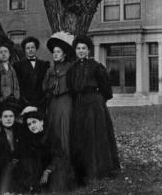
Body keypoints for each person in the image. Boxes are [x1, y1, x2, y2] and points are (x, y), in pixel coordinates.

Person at [67, 35, 120, 186]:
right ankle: (83, 170)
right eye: (78, 48)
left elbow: (107, 91)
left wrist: (96, 100)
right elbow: (71, 88)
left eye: (84, 48)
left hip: (94, 105)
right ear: (75, 50)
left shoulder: (97, 67)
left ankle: (100, 169)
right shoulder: (72, 68)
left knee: (95, 135)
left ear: (88, 50)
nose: (81, 51)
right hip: (79, 105)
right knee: (81, 135)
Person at [17, 109, 69, 193]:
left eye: (34, 122)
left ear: (42, 122)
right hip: (36, 171)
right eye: (29, 124)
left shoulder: (52, 137)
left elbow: (58, 157)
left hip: (52, 169)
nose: (32, 126)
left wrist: (47, 171)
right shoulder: (29, 139)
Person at [43, 31, 74, 163]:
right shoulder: (50, 69)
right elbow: (44, 86)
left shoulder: (70, 67)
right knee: (53, 127)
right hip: (53, 102)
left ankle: (66, 159)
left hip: (66, 101)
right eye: (54, 52)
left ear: (64, 54)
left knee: (64, 127)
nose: (55, 54)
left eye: (58, 52)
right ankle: (54, 159)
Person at [14, 36, 50, 109]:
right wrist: (24, 100)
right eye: (28, 48)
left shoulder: (44, 64)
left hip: (41, 102)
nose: (30, 50)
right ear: (24, 50)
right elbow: (18, 84)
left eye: (32, 47)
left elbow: (46, 82)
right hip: (24, 102)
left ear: (36, 48)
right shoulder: (18, 65)